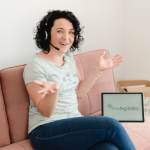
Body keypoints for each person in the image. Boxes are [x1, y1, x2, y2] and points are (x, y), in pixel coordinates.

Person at [23, 10, 136, 150]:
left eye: (71, 32)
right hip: (45, 131)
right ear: (47, 33)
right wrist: (53, 92)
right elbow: (46, 112)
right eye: (60, 31)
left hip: (73, 123)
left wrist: (98, 70)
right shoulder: (36, 65)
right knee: (111, 125)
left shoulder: (69, 57)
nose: (66, 37)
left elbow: (80, 92)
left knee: (109, 148)